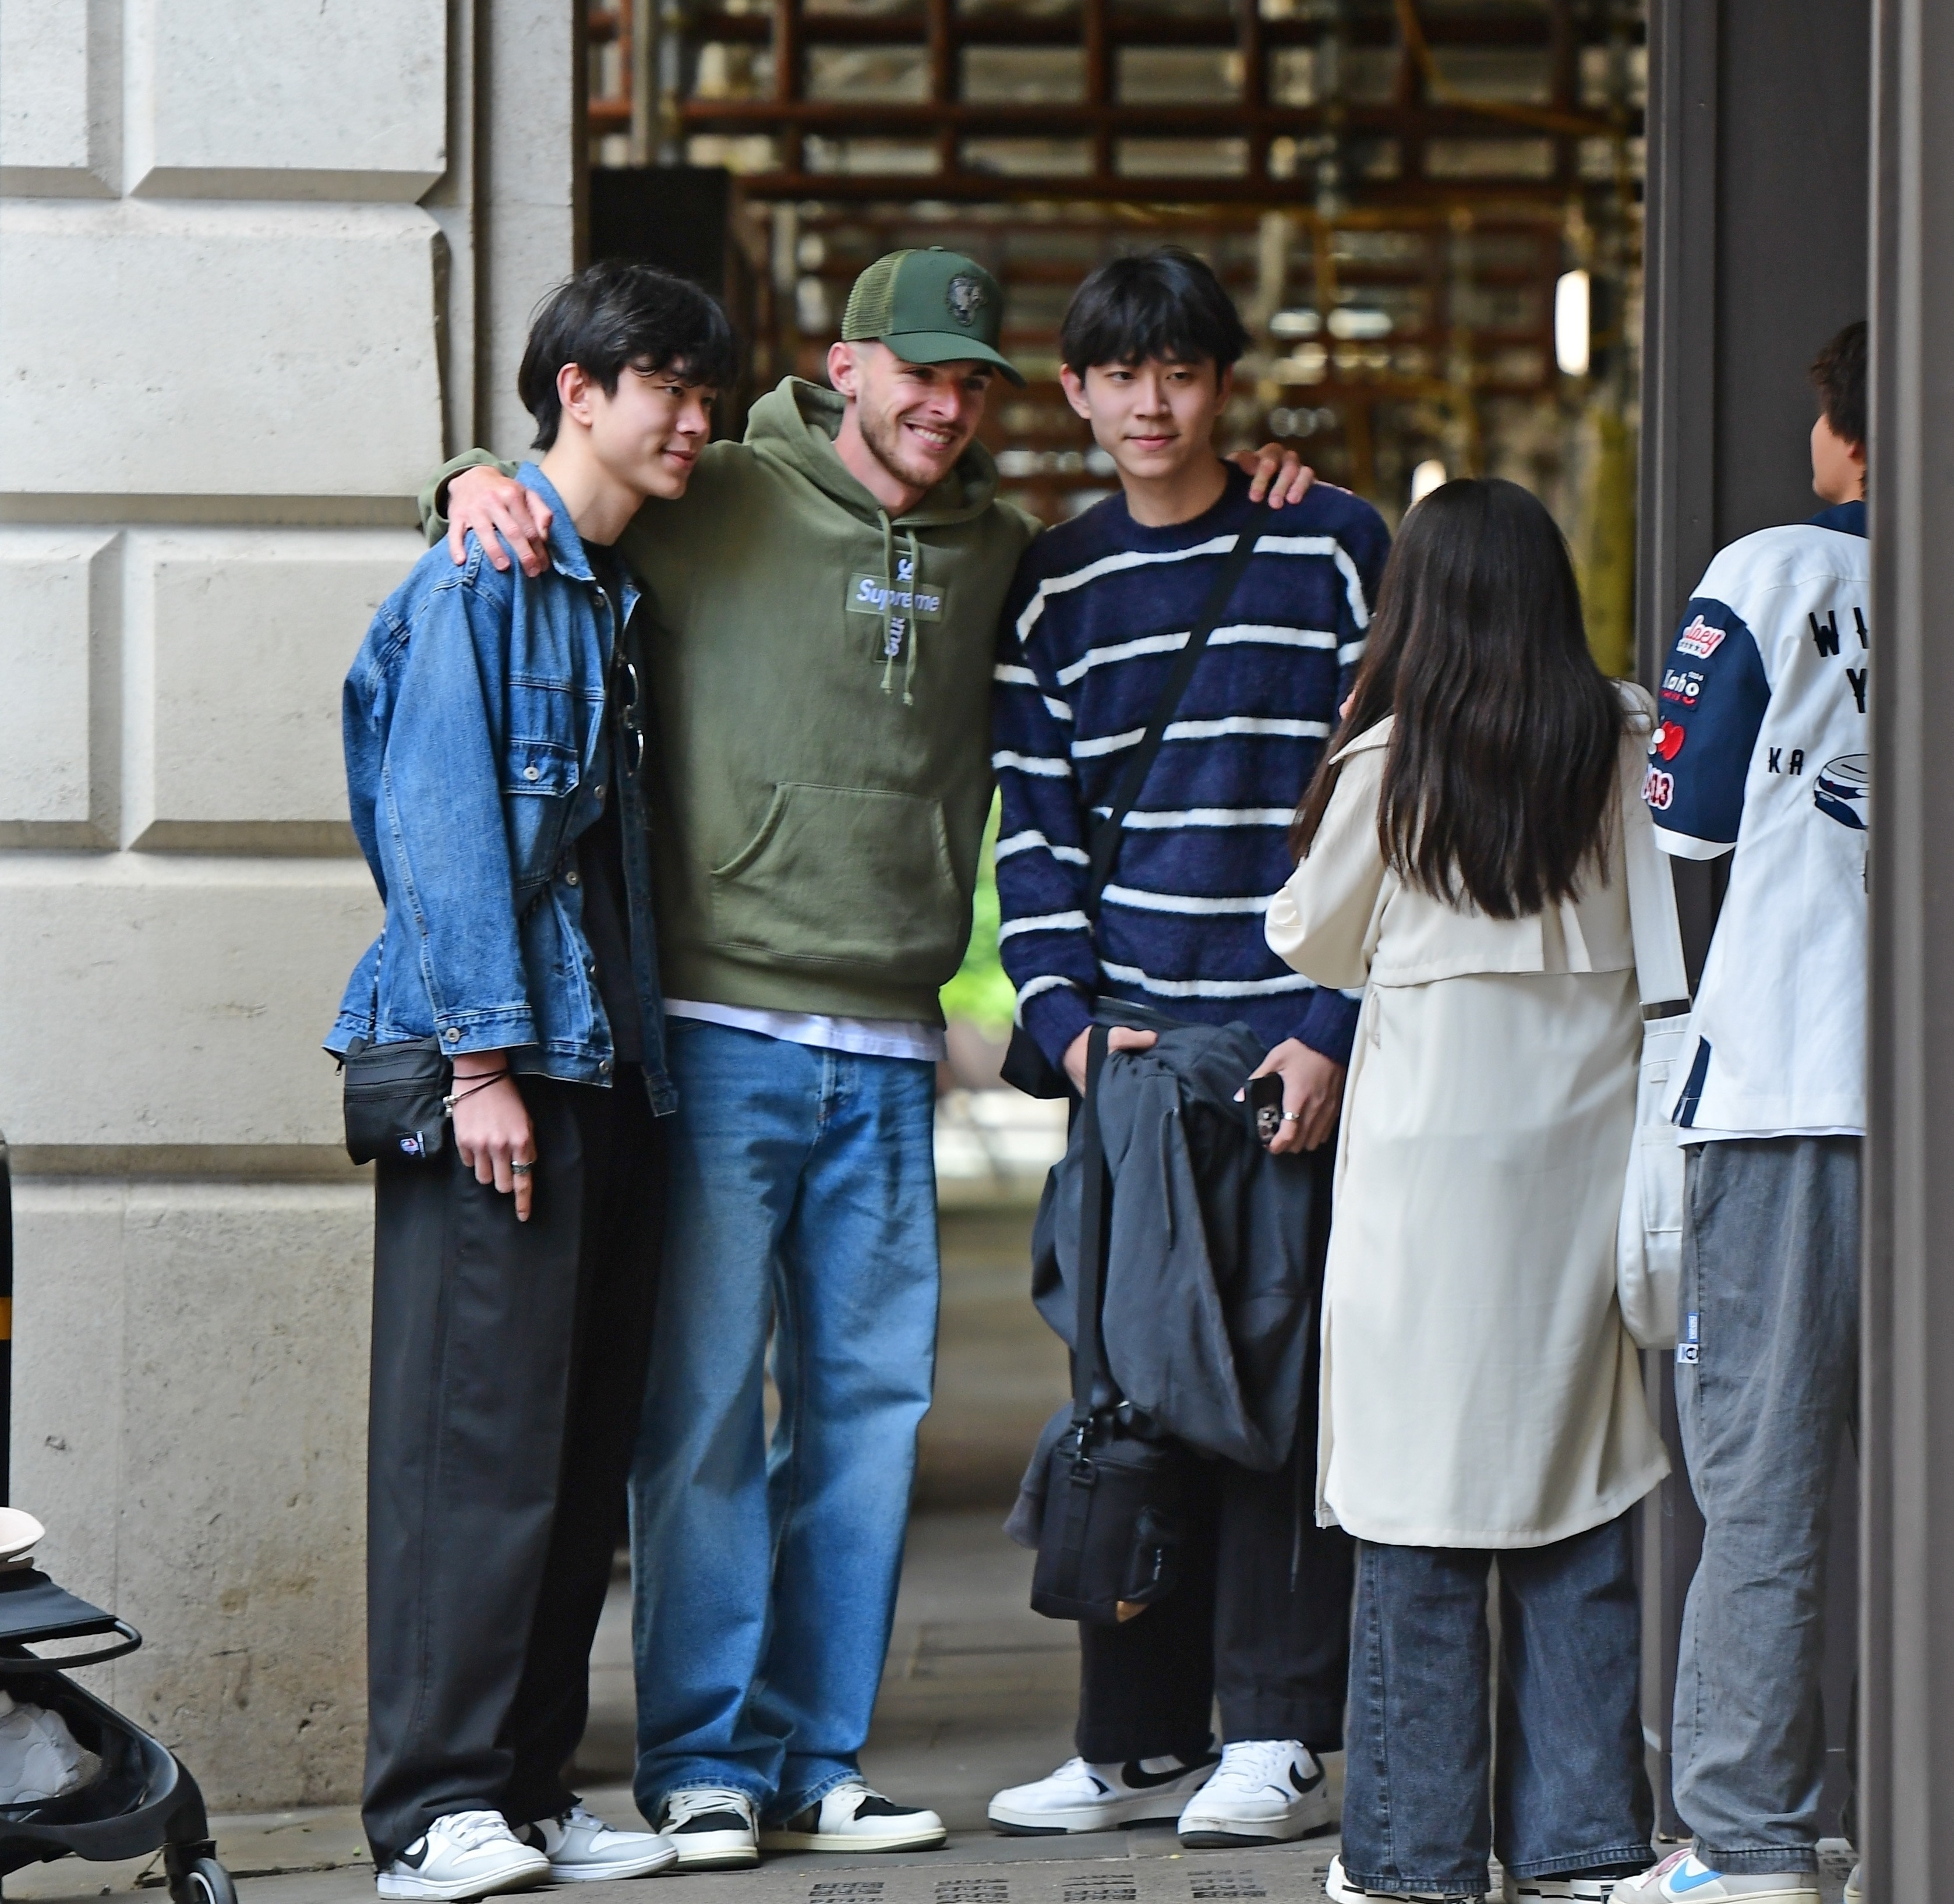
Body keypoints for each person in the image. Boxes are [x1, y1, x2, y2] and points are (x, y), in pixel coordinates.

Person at [430, 248, 1321, 1868]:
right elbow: (573, 499)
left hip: (888, 1043)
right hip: (717, 1034)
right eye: (919, 369)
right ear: (843, 366)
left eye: (974, 377)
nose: (944, 401)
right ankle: (701, 1754)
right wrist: (468, 476)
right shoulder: (721, 495)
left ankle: (811, 1754)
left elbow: (1167, 559)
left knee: (863, 1415)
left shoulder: (1003, 549)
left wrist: (1277, 483)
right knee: (698, 1413)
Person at [328, 260, 739, 1899]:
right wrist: (480, 1057)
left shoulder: (603, 586)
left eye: (708, 395)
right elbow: (431, 823)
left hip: (605, 1062)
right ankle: (430, 1808)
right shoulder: (480, 578)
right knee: (472, 1451)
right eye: (667, 388)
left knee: (572, 1453)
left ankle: (526, 1785)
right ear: (578, 389)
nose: (695, 421)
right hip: (498, 1062)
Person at [985, 247, 1384, 1847]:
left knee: (1278, 1393)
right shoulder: (1052, 580)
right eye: (1119, 375)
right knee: (1123, 1392)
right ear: (1075, 390)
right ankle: (1130, 1737)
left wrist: (1332, 1023)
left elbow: (1393, 795)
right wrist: (1070, 1032)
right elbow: (1035, 829)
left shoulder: (1332, 542)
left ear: (1224, 384)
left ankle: (1277, 1732)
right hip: (1132, 1057)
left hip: (1283, 1038)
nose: (1152, 403)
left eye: (1182, 372)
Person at [1266, 478, 1671, 1902]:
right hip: (1578, 1167)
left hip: (1427, 1190)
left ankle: (1411, 1858)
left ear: (1417, 609)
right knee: (1577, 1497)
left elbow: (1309, 934)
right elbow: (1668, 941)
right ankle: (1577, 1842)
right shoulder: (1622, 742)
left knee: (1416, 1513)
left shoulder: (1392, 757)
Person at [1615, 324, 1870, 1904]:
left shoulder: (1775, 565)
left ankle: (1749, 1839)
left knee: (1760, 1470)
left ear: (1843, 430)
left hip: (1789, 1074)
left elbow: (1683, 812)